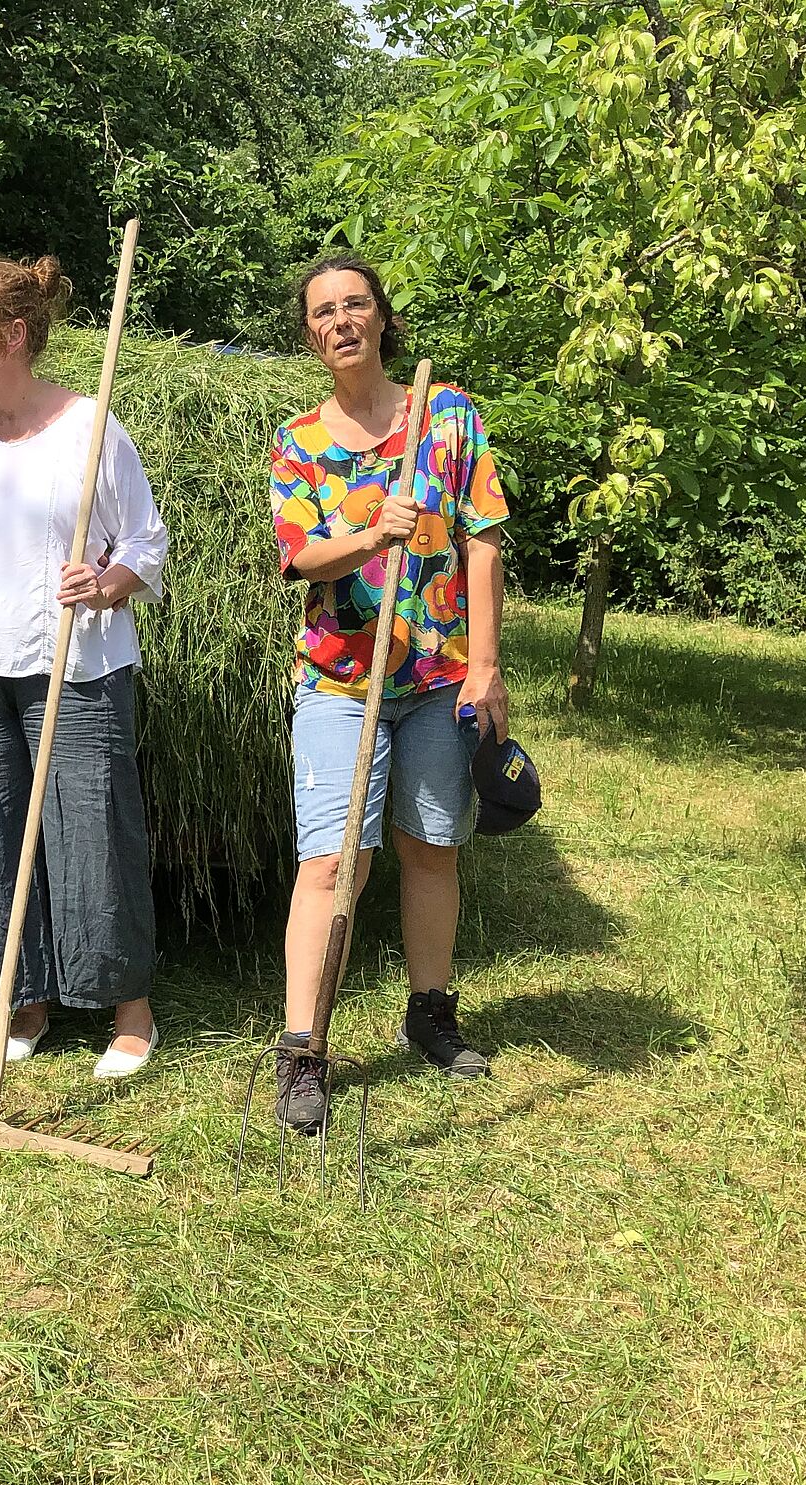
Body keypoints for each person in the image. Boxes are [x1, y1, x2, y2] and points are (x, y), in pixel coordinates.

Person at [268, 253, 511, 1135]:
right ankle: (304, 1049)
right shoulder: (299, 442)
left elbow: (482, 539)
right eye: (324, 312)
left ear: (381, 318)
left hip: (440, 677)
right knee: (332, 863)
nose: (341, 321)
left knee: (431, 847)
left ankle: (430, 1014)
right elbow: (299, 555)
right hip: (340, 680)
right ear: (310, 334)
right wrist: (377, 532)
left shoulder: (444, 416)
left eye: (356, 305)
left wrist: (485, 665)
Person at [0, 254, 167, 1079]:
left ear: (13, 334)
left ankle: (127, 1007)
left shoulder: (89, 426)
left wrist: (103, 584)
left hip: (75, 661)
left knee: (91, 829)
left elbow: (146, 542)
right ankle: (18, 997)